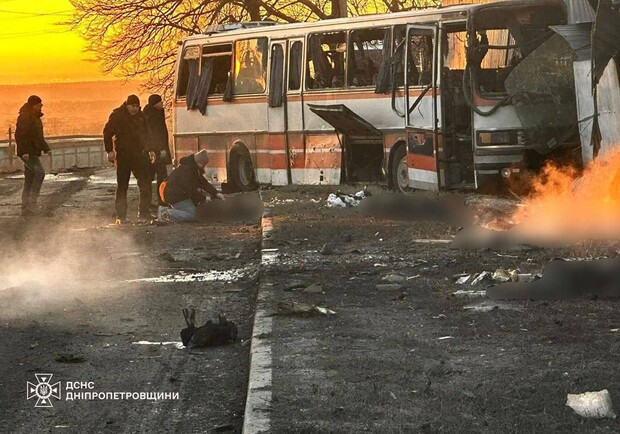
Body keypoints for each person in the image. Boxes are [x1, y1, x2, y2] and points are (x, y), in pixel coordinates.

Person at [103, 94, 155, 223]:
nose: (135, 109)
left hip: (139, 154)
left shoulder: (141, 117)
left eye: (137, 106)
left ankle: (144, 212)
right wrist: (109, 151)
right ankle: (121, 216)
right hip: (123, 155)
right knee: (122, 186)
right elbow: (107, 132)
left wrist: (151, 149)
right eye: (133, 106)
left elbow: (147, 134)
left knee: (145, 183)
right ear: (127, 105)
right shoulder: (118, 115)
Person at [158, 150, 225, 223]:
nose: (203, 167)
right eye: (203, 165)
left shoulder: (191, 168)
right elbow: (190, 189)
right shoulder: (188, 170)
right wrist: (203, 198)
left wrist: (216, 193)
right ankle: (167, 213)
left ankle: (172, 212)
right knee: (193, 215)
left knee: (192, 212)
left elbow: (203, 182)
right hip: (175, 196)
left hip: (176, 194)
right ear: (200, 163)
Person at [15, 95, 50, 216]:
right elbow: (20, 136)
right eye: (39, 105)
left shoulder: (34, 117)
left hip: (32, 152)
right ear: (33, 105)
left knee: (30, 178)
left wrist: (46, 148)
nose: (41, 106)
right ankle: (31, 204)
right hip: (29, 153)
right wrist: (24, 152)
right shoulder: (25, 117)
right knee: (39, 173)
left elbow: (38, 137)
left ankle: (26, 207)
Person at [143, 94, 171, 207]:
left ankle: (154, 201)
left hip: (155, 151)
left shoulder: (152, 114)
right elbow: (155, 135)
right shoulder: (152, 116)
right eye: (160, 102)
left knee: (153, 177)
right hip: (155, 152)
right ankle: (159, 200)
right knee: (159, 176)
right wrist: (161, 149)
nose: (162, 103)